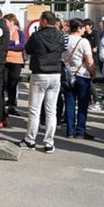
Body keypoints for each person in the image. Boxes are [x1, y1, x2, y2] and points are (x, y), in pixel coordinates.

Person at [19, 11, 65, 153]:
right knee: (51, 110)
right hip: (55, 74)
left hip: (39, 74)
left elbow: (27, 49)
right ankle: (49, 142)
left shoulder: (37, 36)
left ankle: (30, 140)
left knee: (34, 110)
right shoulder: (61, 36)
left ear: (44, 21)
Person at [62, 18, 95, 139]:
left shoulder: (64, 39)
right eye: (83, 28)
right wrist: (93, 73)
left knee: (69, 103)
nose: (84, 30)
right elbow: (89, 61)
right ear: (79, 28)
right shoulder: (84, 41)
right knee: (83, 104)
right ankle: (80, 130)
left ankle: (70, 130)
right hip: (82, 75)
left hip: (68, 75)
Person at [4, 14, 26, 117]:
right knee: (4, 83)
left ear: (11, 22)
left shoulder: (20, 33)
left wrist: (8, 46)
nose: (4, 24)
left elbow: (21, 45)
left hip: (16, 61)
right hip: (4, 61)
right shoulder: (3, 32)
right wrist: (14, 43)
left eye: (6, 22)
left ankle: (12, 106)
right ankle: (2, 107)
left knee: (13, 84)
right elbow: (2, 44)